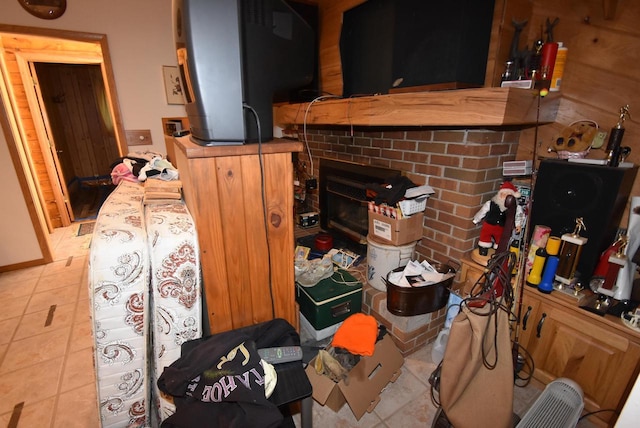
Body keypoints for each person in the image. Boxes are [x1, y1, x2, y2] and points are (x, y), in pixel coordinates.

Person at [473, 181, 524, 256]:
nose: (504, 196)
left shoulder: (515, 208)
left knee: (500, 240)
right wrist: (476, 219)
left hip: (502, 228)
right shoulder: (491, 203)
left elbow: (518, 216)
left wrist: (518, 225)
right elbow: (482, 211)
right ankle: (483, 248)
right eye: (503, 194)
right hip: (489, 225)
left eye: (507, 195)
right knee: (485, 236)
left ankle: (498, 250)